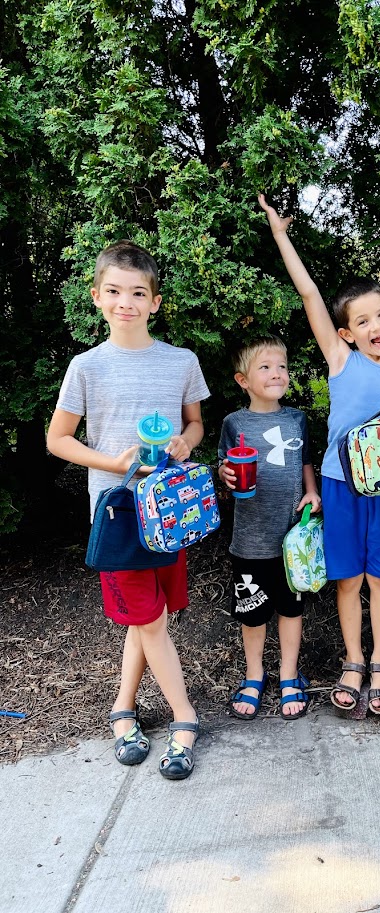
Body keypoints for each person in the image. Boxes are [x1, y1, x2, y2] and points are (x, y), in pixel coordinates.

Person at [259, 194, 380, 716]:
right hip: (340, 487)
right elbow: (311, 294)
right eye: (362, 321)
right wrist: (280, 236)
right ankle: (353, 660)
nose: (374, 326)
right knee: (349, 580)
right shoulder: (340, 360)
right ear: (346, 333)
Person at [47, 240, 209, 780]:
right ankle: (185, 720)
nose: (126, 302)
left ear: (155, 301)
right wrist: (111, 464)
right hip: (116, 513)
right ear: (96, 297)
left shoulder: (181, 361)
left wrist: (186, 442)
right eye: (114, 291)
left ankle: (122, 710)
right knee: (149, 619)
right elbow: (58, 440)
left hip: (169, 510)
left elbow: (195, 425)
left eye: (138, 293)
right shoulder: (86, 367)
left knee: (150, 617)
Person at [217, 335, 321, 720]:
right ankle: (254, 673)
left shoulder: (296, 419)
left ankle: (289, 673)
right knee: (252, 613)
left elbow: (306, 460)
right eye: (265, 367)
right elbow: (225, 468)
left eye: (282, 366)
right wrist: (226, 474)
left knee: (292, 611)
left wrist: (312, 492)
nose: (277, 373)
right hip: (249, 541)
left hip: (293, 540)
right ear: (243, 380)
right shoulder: (234, 423)